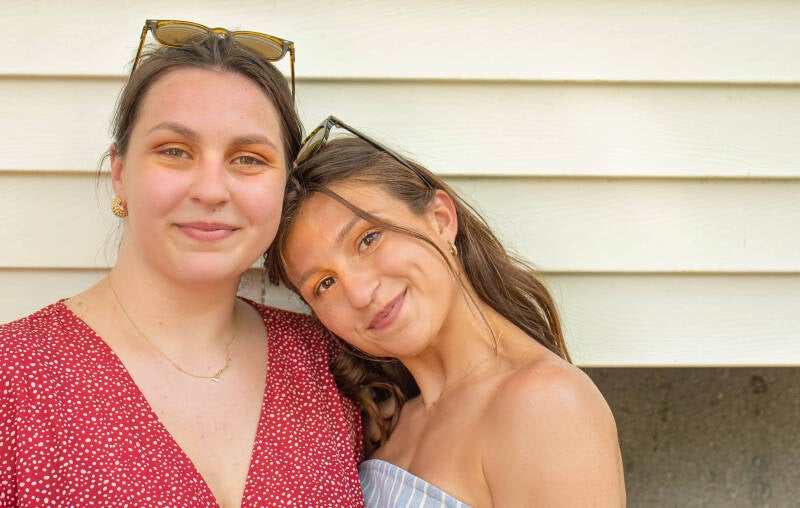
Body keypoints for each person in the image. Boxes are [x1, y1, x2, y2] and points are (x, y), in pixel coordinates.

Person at [0, 23, 364, 507]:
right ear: (120, 172)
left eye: (249, 158)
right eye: (174, 151)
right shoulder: (15, 377)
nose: (211, 190)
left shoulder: (331, 363)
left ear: (285, 184)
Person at [266, 116, 627, 507]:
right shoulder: (389, 424)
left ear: (440, 220)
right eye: (324, 284)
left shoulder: (545, 404)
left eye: (368, 239)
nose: (358, 292)